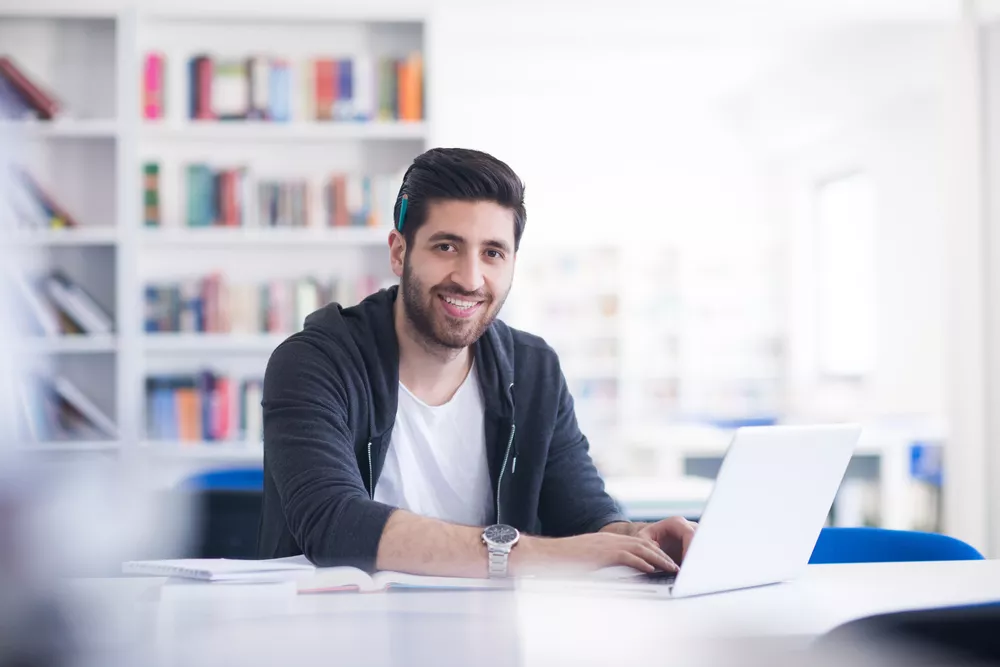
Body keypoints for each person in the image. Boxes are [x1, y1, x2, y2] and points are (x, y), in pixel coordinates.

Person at [257, 147, 695, 578]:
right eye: (446, 247)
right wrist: (527, 555)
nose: (469, 278)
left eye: (493, 253)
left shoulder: (533, 371)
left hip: (488, 635)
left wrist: (636, 538)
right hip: (335, 634)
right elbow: (334, 524)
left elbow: (585, 515)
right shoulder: (314, 363)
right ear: (398, 252)